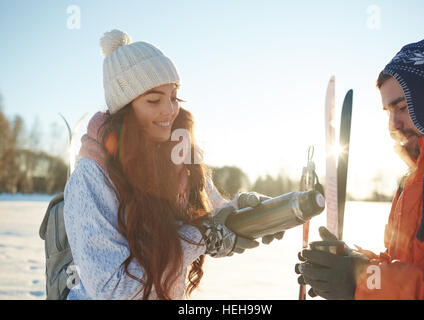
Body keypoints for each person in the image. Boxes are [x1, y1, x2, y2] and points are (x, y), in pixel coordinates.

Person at [63, 29, 283, 300]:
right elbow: (111, 290)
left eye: (174, 96)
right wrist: (200, 237)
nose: (169, 109)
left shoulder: (178, 158)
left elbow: (213, 217)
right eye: (154, 100)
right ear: (124, 109)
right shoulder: (92, 178)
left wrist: (254, 212)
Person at [295, 38, 424, 299]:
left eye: (402, 107)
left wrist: (361, 283)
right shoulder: (411, 184)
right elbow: (402, 265)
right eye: (388, 112)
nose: (393, 125)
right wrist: (354, 265)